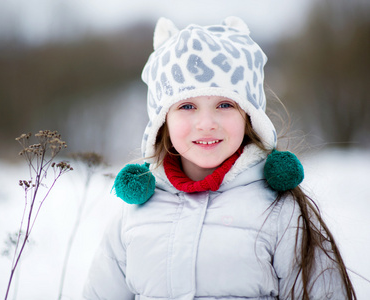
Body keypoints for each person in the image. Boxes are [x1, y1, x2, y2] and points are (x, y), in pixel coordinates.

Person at [83, 16, 356, 300]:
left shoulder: (280, 213)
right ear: (163, 121)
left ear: (249, 116)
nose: (206, 123)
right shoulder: (133, 218)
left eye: (224, 104)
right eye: (187, 106)